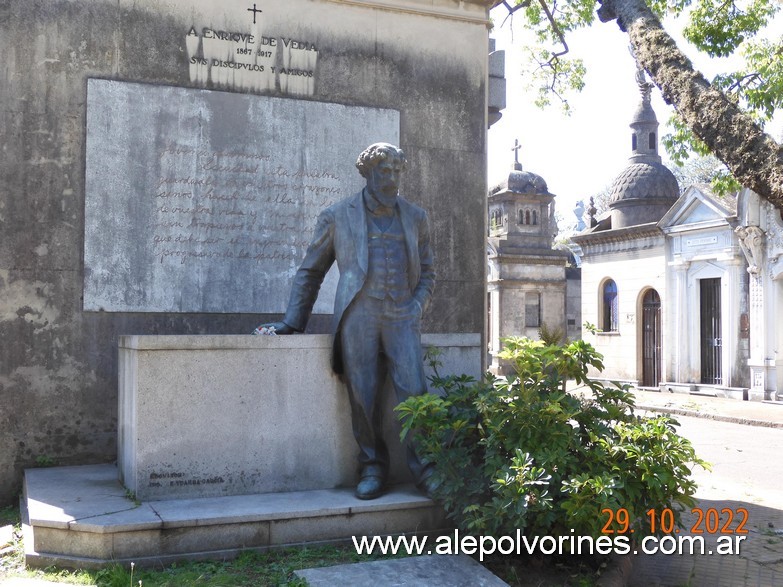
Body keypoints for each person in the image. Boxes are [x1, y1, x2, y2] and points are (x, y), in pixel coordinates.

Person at [256, 142, 437, 500]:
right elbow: (311, 271)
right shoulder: (338, 215)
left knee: (414, 390)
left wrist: (417, 305)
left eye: (397, 171)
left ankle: (428, 467)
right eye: (383, 171)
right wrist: (293, 322)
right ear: (367, 173)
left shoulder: (416, 217)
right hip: (359, 315)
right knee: (363, 394)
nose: (391, 178)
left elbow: (429, 271)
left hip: (402, 314)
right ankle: (372, 465)